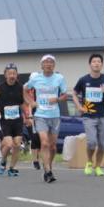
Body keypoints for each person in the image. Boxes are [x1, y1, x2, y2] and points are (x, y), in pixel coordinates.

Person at [25, 54, 69, 183]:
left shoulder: (59, 78)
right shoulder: (36, 78)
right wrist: (31, 102)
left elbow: (65, 95)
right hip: (40, 115)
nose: (48, 64)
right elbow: (24, 90)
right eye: (46, 62)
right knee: (44, 143)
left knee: (53, 146)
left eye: (51, 62)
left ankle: (48, 166)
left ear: (54, 65)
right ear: (42, 65)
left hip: (54, 115)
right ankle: (48, 171)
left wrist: (57, 99)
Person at [74, 52, 104, 177]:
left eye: (99, 62)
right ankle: (88, 161)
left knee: (102, 144)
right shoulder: (83, 80)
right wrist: (79, 107)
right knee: (91, 142)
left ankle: (97, 166)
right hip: (88, 116)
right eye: (94, 62)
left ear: (102, 64)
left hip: (103, 116)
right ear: (90, 64)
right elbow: (74, 93)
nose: (96, 64)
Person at [0, 63, 28, 176]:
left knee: (17, 144)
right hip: (5, 121)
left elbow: (22, 103)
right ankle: (3, 162)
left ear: (17, 75)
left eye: (14, 73)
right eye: (9, 73)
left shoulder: (21, 87)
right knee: (9, 144)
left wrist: (27, 116)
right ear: (5, 75)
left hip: (17, 120)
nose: (12, 75)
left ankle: (11, 168)